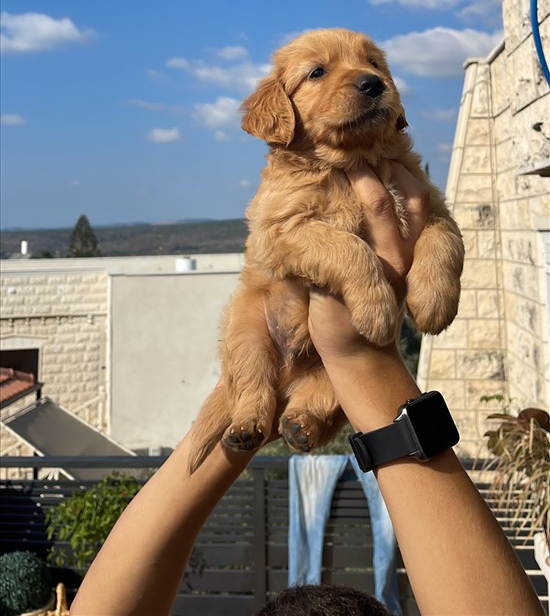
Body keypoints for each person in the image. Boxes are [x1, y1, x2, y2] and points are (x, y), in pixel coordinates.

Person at [71, 164, 544, 616]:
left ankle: (300, 410)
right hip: (292, 331)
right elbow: (280, 241)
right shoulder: (303, 170)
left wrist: (237, 426)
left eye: (375, 72)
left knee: (294, 382)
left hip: (286, 352)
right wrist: (364, 361)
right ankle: (297, 408)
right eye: (318, 72)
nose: (362, 79)